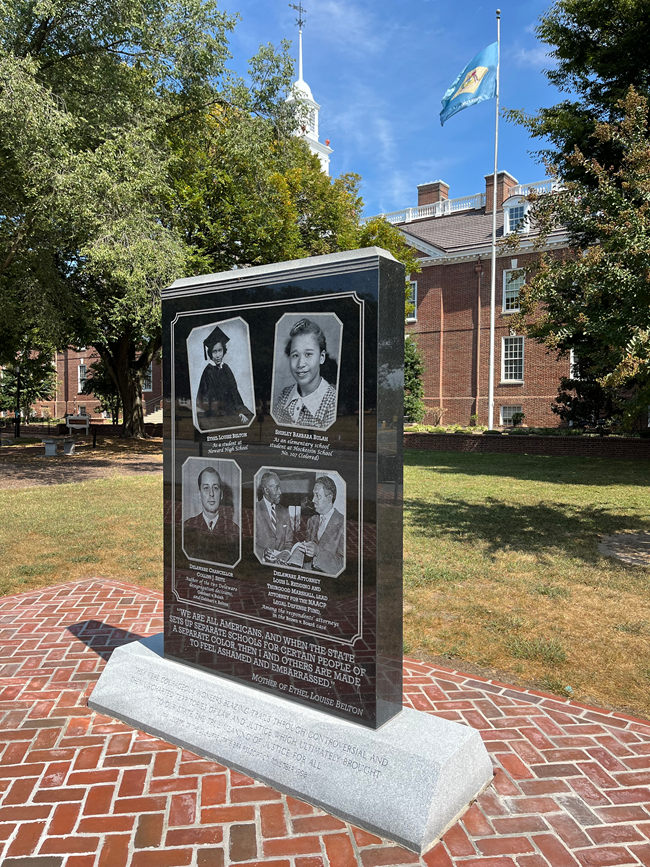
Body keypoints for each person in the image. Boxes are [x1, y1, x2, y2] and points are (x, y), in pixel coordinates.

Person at [273, 318, 337, 429]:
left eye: (308, 354)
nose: (300, 364)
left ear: (322, 357)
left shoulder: (331, 402)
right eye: (295, 355)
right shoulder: (284, 396)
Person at [196, 324, 253, 430]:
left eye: (220, 350)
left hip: (231, 411)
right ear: (210, 353)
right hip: (217, 415)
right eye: (214, 351)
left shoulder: (226, 368)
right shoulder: (208, 372)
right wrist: (235, 414)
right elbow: (205, 401)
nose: (218, 355)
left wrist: (240, 411)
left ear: (224, 350)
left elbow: (234, 393)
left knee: (251, 420)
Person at [183, 467, 240, 565]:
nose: (211, 494)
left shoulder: (234, 529)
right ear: (199, 494)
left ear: (221, 494)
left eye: (215, 488)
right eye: (206, 488)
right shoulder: (188, 525)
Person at [300, 476, 344, 575]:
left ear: (329, 498)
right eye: (313, 495)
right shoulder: (312, 521)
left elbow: (343, 565)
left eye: (317, 496)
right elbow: (307, 561)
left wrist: (318, 552)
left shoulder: (343, 524)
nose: (313, 500)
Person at [255, 471, 293, 562]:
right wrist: (263, 552)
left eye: (280, 487)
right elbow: (248, 543)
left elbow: (289, 543)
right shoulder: (254, 510)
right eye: (276, 488)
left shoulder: (285, 511)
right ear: (266, 490)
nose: (280, 492)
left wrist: (284, 555)